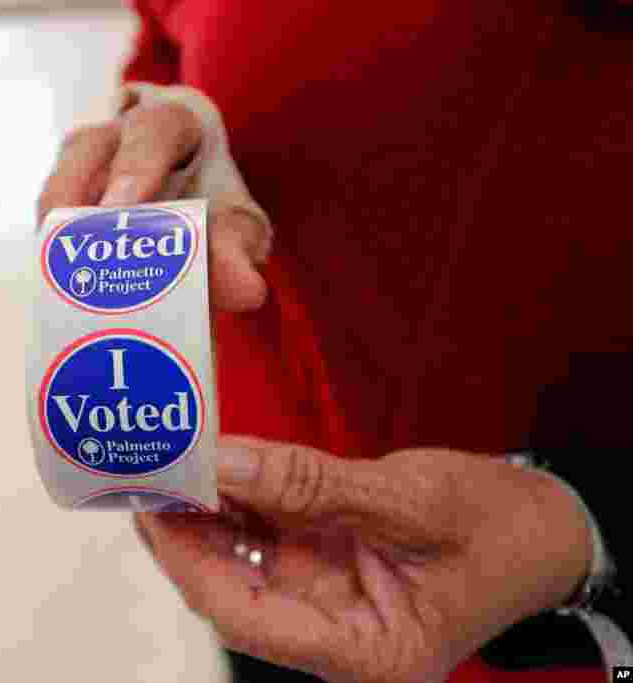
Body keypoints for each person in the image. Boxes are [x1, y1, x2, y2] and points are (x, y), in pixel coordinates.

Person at [38, 1, 632, 681]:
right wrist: (172, 123)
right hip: (257, 534)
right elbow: (166, 35)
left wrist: (586, 528)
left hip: (550, 608)